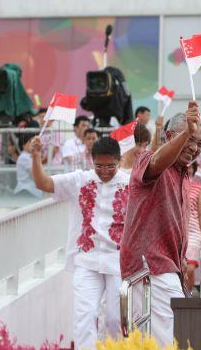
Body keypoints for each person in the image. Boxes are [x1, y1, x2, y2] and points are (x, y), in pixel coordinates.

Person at [31, 136, 129, 348]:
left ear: (120, 161)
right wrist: (36, 156)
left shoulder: (130, 183)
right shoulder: (80, 179)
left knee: (115, 319)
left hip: (118, 262)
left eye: (110, 166)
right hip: (86, 260)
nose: (104, 171)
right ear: (91, 161)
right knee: (84, 315)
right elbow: (43, 183)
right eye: (99, 166)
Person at [120, 101, 201, 347]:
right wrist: (188, 132)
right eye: (189, 139)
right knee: (167, 339)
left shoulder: (184, 174)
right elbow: (157, 163)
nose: (194, 147)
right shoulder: (147, 160)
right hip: (150, 266)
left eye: (199, 142)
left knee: (167, 337)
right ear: (169, 136)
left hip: (170, 267)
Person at [185, 162, 201, 293]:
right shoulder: (173, 186)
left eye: (190, 166)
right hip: (177, 232)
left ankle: (188, 295)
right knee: (180, 269)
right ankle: (181, 295)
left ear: (194, 169)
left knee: (190, 268)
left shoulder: (198, 188)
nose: (188, 168)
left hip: (193, 232)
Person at [14, 133, 43, 198]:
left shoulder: (29, 156)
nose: (33, 144)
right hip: (26, 191)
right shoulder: (24, 157)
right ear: (23, 145)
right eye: (30, 142)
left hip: (31, 191)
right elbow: (35, 176)